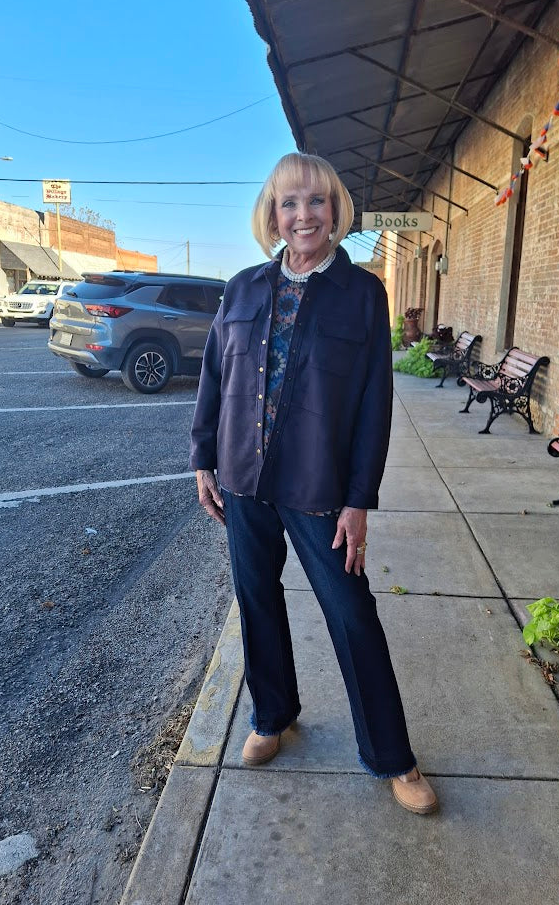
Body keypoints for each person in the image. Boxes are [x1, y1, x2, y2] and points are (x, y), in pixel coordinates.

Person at [190, 153, 437, 814]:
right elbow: (216, 377)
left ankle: (393, 756)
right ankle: (273, 717)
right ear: (272, 214)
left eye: (315, 202)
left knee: (353, 615)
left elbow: (373, 405)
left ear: (335, 211)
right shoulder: (241, 288)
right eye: (288, 203)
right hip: (243, 481)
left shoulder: (361, 294)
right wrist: (201, 458)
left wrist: (358, 500)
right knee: (256, 600)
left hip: (318, 487)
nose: (302, 215)